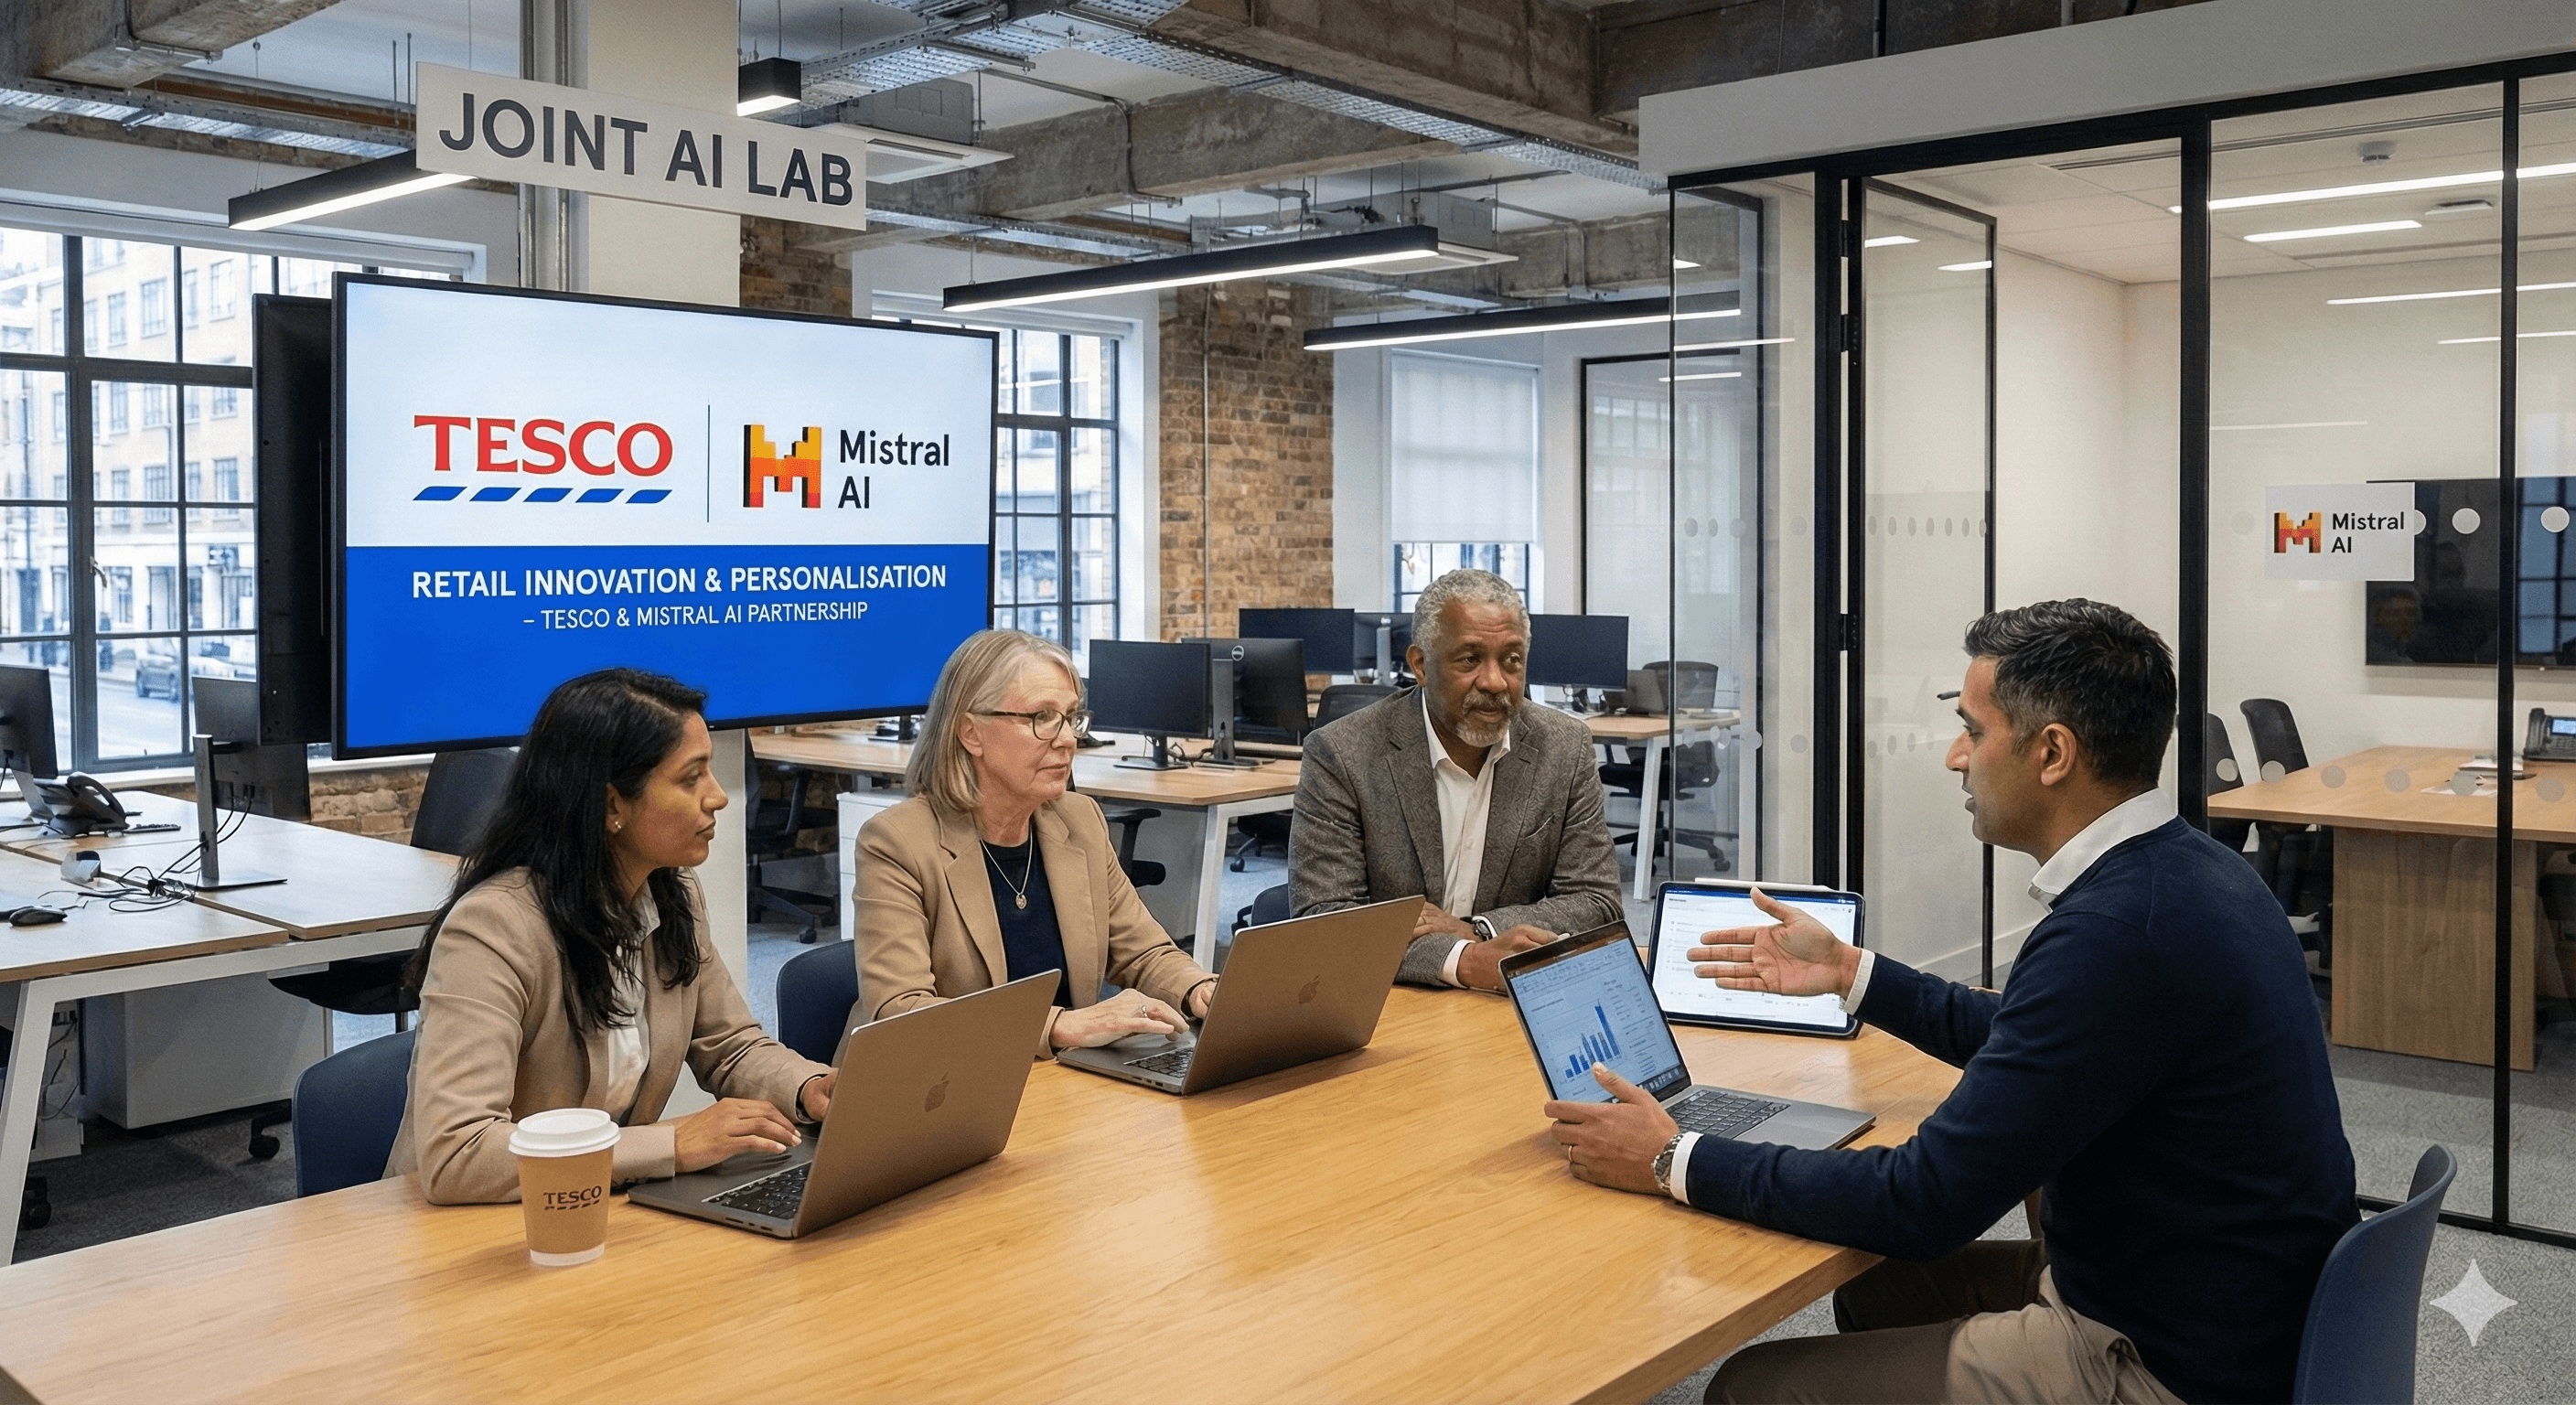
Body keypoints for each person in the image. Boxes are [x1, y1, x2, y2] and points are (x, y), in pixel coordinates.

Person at [1545, 599, 2357, 1405]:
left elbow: (1922, 1203)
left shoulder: (2116, 933)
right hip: (2232, 1300)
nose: (1953, 758)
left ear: (2052, 753)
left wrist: (1670, 1156)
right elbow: (2030, 1034)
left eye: (1972, 730)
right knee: (1881, 1294)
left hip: (2168, 1360)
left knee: (1754, 1387)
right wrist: (1850, 971)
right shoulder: (2193, 872)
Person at [390, 669, 833, 1206]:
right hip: (471, 1234)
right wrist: (668, 1144)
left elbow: (730, 1047)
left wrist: (809, 1088)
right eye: (690, 779)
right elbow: (458, 1154)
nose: (717, 798)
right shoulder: (492, 929)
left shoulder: (673, 897)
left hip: (593, 1212)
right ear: (609, 806)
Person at [857, 629, 1218, 1056]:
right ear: (971, 733)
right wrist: (1059, 1025)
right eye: (1041, 718)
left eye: (1070, 717)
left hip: (1056, 1083)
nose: (1067, 738)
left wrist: (1199, 988)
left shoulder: (1078, 819)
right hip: (938, 1088)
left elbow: (1144, 951)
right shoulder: (896, 843)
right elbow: (903, 1013)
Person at [1291, 568, 1622, 991]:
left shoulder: (1564, 747)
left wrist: (1478, 930)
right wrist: (1464, 960)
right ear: (1421, 665)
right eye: (1470, 659)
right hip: (1391, 1002)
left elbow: (1597, 902)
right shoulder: (1344, 754)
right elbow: (1324, 920)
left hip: (1512, 1002)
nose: (1495, 681)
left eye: (1511, 660)